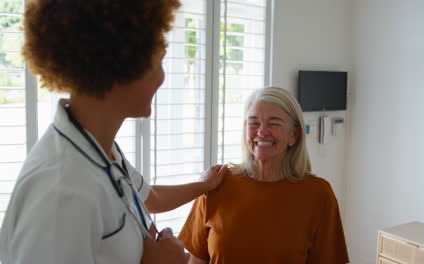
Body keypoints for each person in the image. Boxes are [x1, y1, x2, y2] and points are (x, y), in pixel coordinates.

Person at [0, 0, 228, 263]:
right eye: (158, 61)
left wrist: (206, 185)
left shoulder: (99, 149)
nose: (161, 78)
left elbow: (149, 198)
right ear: (121, 62)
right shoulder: (61, 191)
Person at [179, 87, 349, 263]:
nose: (261, 131)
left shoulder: (318, 194)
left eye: (274, 123)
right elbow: (197, 260)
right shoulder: (216, 185)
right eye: (254, 123)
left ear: (294, 135)